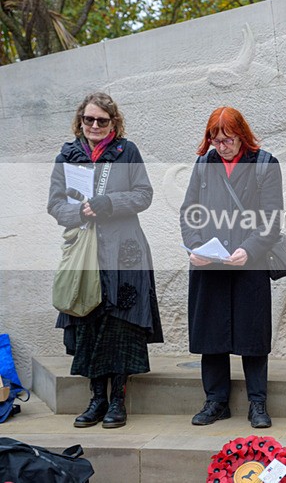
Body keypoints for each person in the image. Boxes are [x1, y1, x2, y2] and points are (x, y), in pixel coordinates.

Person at [48, 92, 163, 429]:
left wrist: (108, 202)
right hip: (85, 252)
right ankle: (96, 398)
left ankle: (117, 402)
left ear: (114, 122)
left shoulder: (127, 152)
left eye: (102, 120)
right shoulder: (66, 156)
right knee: (89, 322)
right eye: (89, 120)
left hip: (124, 251)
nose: (95, 126)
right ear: (80, 121)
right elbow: (55, 204)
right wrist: (77, 211)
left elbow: (144, 194)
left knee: (120, 325)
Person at [179, 106, 283, 428]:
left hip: (248, 264)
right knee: (211, 333)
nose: (221, 146)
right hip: (209, 264)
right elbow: (188, 213)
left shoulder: (265, 164)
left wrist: (249, 249)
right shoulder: (202, 165)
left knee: (253, 334)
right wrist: (195, 247)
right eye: (215, 139)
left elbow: (271, 221)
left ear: (242, 135)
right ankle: (215, 401)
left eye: (228, 139)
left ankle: (257, 403)